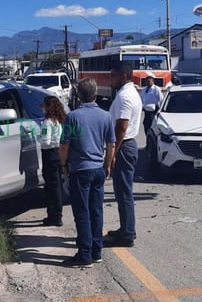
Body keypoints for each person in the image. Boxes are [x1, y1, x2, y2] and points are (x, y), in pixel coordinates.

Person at [59, 78, 116, 268]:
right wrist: (107, 165)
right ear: (95, 94)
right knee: (96, 211)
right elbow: (111, 144)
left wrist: (64, 165)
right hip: (98, 168)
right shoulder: (106, 116)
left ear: (79, 96)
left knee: (82, 213)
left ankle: (84, 254)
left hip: (80, 170)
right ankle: (96, 251)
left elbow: (64, 145)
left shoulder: (73, 117)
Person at [104, 61, 142, 248]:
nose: (110, 79)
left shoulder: (125, 96)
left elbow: (121, 128)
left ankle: (127, 234)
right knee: (121, 192)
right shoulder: (128, 93)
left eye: (113, 75)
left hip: (124, 146)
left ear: (124, 76)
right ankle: (125, 228)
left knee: (124, 192)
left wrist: (112, 152)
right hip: (127, 145)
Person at [38, 96, 66, 227]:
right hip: (58, 153)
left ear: (48, 107)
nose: (42, 108)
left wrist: (36, 136)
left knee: (51, 185)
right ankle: (56, 213)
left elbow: (45, 141)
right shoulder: (60, 121)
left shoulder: (47, 122)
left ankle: (54, 215)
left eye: (43, 105)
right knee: (57, 184)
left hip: (49, 154)